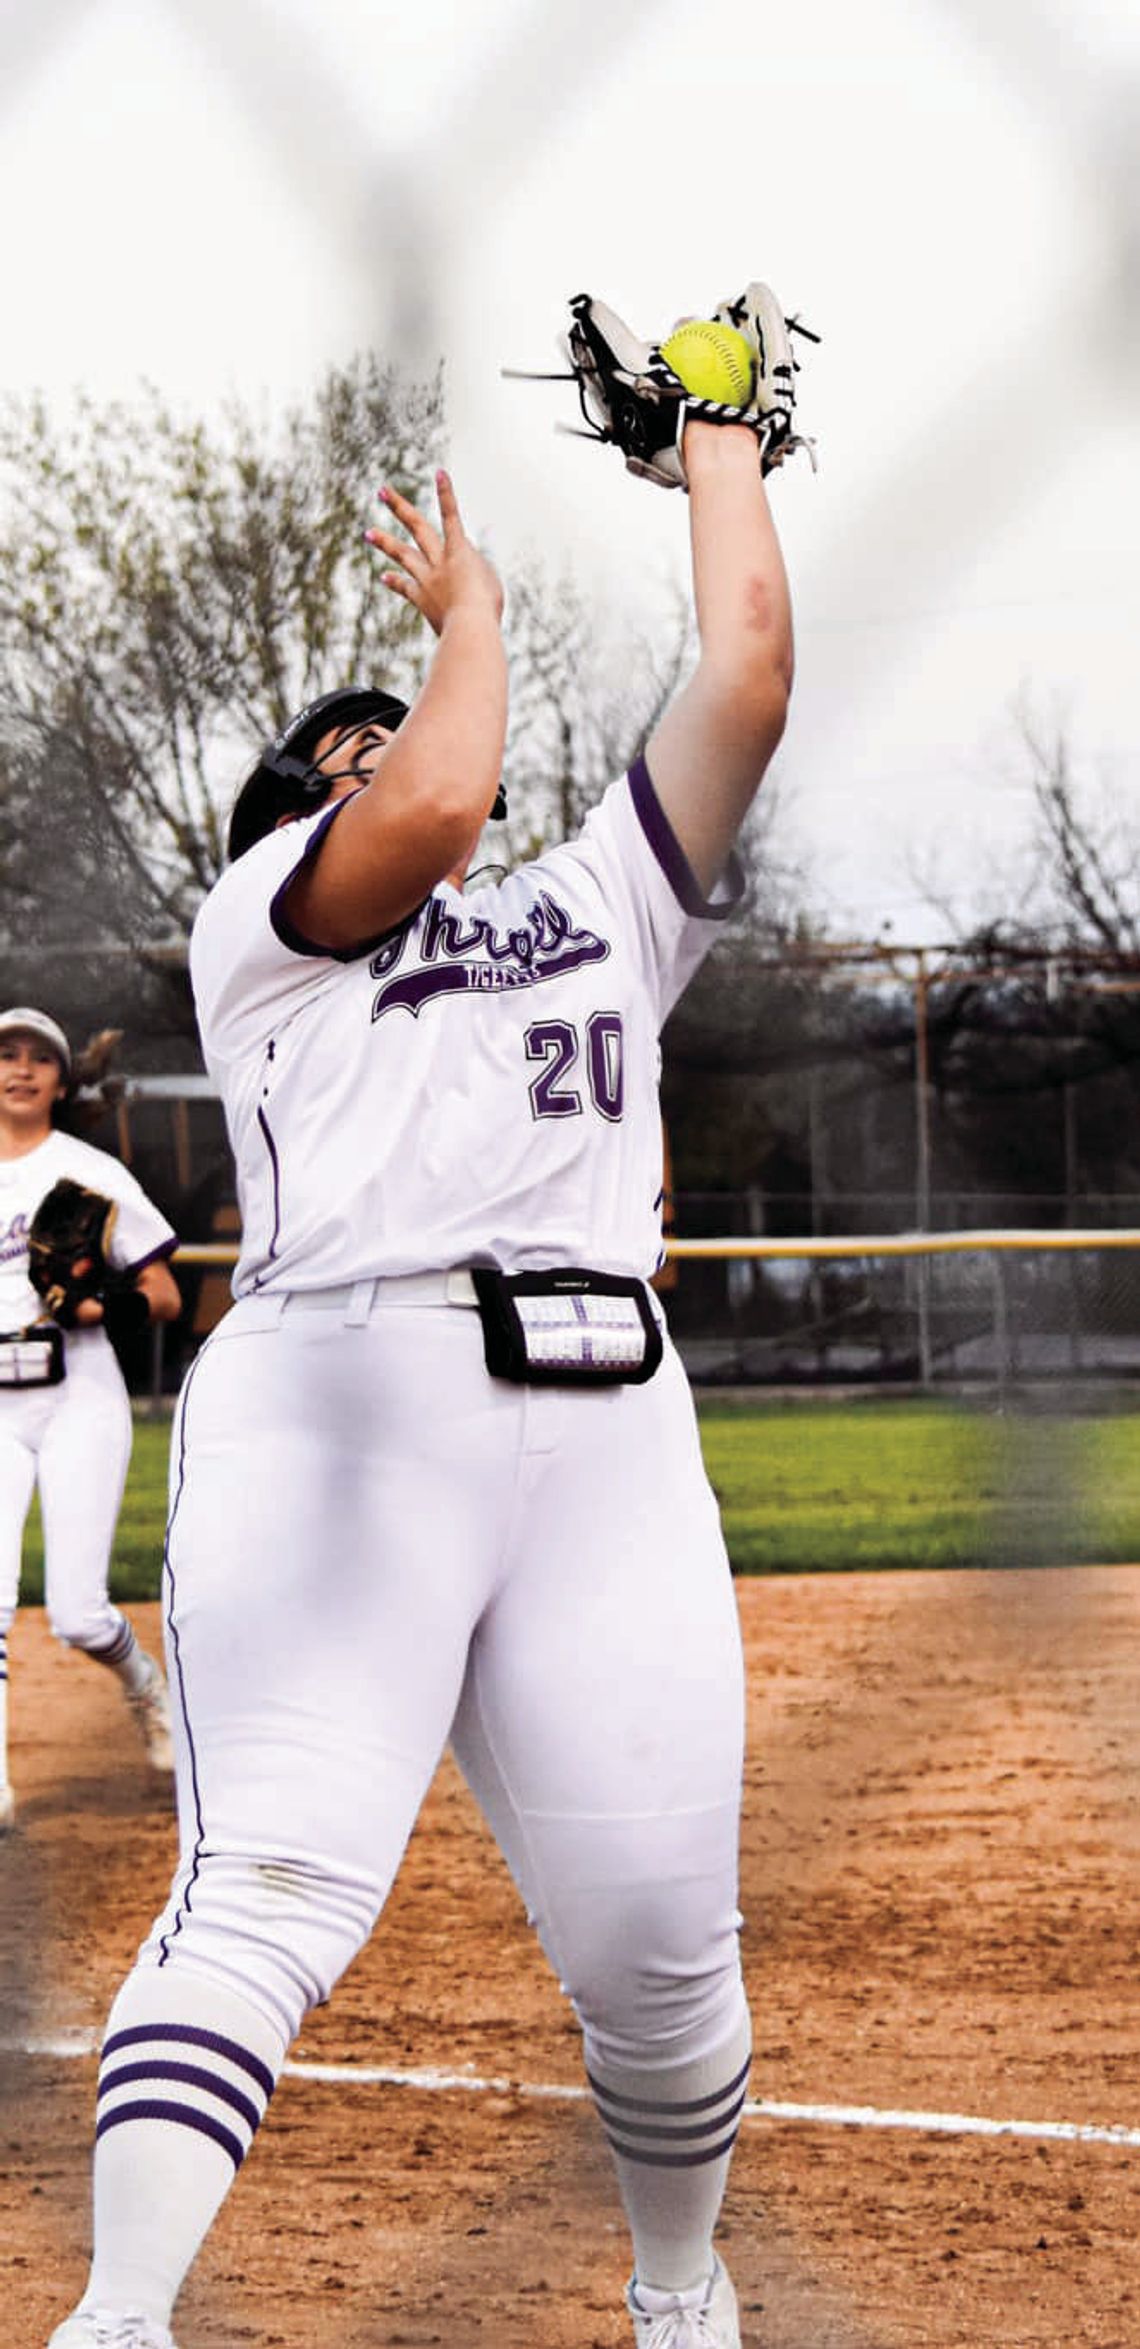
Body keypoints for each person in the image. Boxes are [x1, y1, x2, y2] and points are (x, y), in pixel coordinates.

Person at [47, 405, 794, 2349]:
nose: (384, 752)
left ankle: (683, 2298)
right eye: (334, 756)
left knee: (665, 1960)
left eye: (403, 719)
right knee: (277, 1877)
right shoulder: (265, 931)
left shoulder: (595, 906)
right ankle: (121, 2316)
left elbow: (749, 676)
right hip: (341, 1400)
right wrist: (476, 612)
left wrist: (719, 450)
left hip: (611, 1426)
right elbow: (443, 803)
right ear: (287, 819)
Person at [0, 1008, 183, 1830]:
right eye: (6, 1054)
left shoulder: (87, 1171)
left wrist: (97, 1300)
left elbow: (166, 1294)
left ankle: (144, 1682)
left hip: (78, 1392)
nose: (22, 1068)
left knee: (76, 1611)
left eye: (41, 1057)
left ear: (63, 1081)